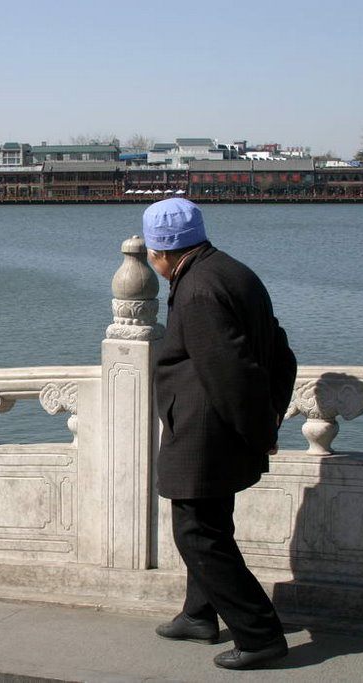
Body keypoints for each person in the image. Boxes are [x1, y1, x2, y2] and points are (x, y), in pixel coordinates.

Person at [142, 198, 297, 670]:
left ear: (161, 253)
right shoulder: (234, 272)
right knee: (211, 525)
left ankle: (259, 634)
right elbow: (281, 352)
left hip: (206, 433)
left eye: (151, 251)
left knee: (196, 533)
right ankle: (199, 614)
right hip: (223, 428)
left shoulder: (196, 291)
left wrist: (260, 429)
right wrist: (271, 412)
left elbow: (230, 373)